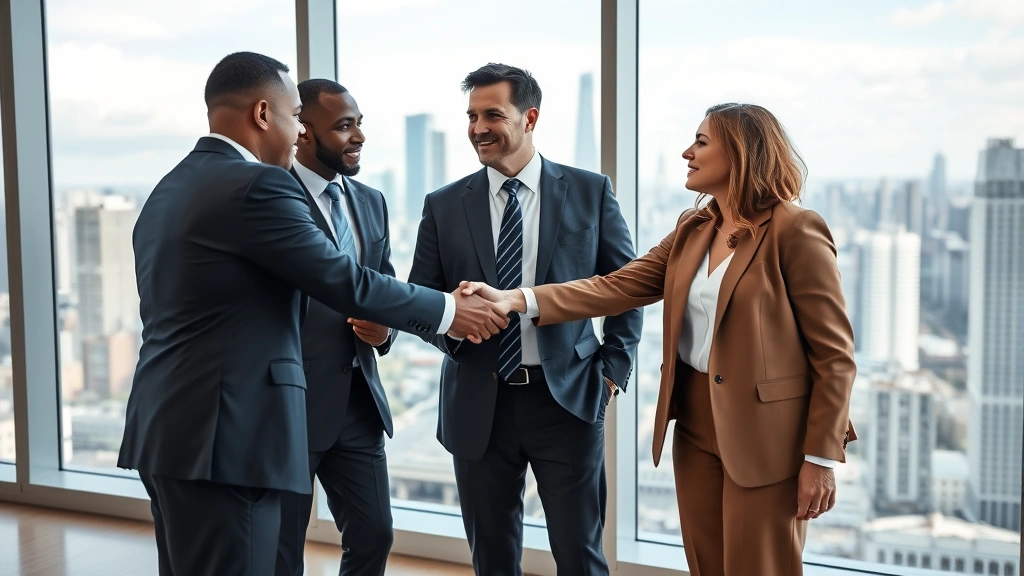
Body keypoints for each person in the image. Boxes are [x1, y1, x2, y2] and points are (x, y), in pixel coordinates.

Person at [117, 52, 505, 576]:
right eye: (295, 116)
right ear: (262, 114)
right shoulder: (256, 185)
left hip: (168, 428)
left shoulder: (169, 188)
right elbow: (343, 280)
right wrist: (448, 309)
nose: (299, 130)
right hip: (229, 435)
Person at [464, 103, 858, 576]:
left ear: (740, 153)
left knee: (760, 566)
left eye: (702, 142)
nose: (687, 152)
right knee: (706, 563)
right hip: (694, 422)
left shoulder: (795, 230)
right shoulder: (695, 228)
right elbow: (616, 286)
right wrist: (516, 299)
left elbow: (835, 356)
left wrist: (820, 458)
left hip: (766, 434)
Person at [407, 63, 642, 576]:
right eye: (471, 116)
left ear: (529, 117)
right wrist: (456, 328)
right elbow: (420, 302)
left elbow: (628, 288)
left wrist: (611, 374)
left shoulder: (590, 191)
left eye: (492, 114)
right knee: (492, 558)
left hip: (569, 400)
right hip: (477, 402)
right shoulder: (443, 205)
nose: (478, 128)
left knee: (581, 555)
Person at [273, 79, 398, 576]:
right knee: (282, 550)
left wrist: (385, 333)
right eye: (344, 126)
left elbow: (384, 285)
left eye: (359, 123)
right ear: (303, 131)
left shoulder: (371, 201)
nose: (359, 136)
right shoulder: (271, 195)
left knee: (375, 535)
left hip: (357, 403)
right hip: (290, 405)